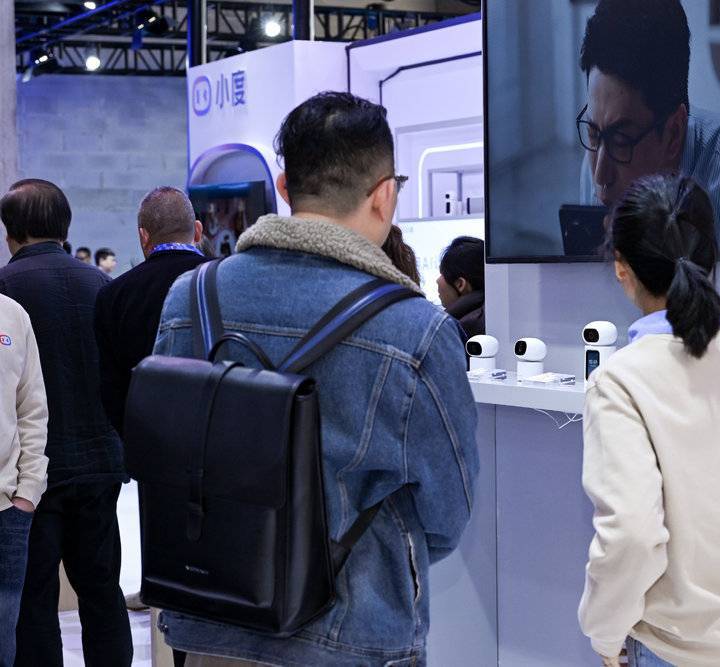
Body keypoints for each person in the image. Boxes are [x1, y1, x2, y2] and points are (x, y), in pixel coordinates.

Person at [153, 92, 479, 666]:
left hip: (212, 618)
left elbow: (164, 450)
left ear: (284, 186)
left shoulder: (191, 297)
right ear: (384, 194)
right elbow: (446, 515)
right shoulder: (415, 330)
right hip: (351, 634)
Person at [578, 174, 720, 667]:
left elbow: (632, 535)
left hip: (679, 650)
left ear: (621, 267)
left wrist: (605, 634)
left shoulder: (620, 379)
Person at [0, 179, 133, 666]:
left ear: (11, 232)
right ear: (65, 226)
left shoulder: (5, 290)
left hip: (32, 474)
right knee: (102, 591)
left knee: (35, 601)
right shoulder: (101, 284)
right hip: (100, 464)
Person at [577, 0, 720, 253]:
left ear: (674, 133)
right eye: (593, 133)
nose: (600, 177)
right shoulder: (598, 158)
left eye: (622, 141)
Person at [94, 186, 208, 437]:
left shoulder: (113, 295)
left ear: (143, 236)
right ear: (198, 230)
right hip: (217, 436)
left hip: (149, 439)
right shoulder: (223, 280)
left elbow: (111, 389)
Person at [0, 294, 48, 666]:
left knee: (3, 646)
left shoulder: (12, 314)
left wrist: (28, 492)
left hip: (7, 511)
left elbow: (32, 407)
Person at [437, 236, 485, 339]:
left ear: (460, 284)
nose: (437, 280)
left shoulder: (457, 331)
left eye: (442, 274)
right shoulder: (492, 316)